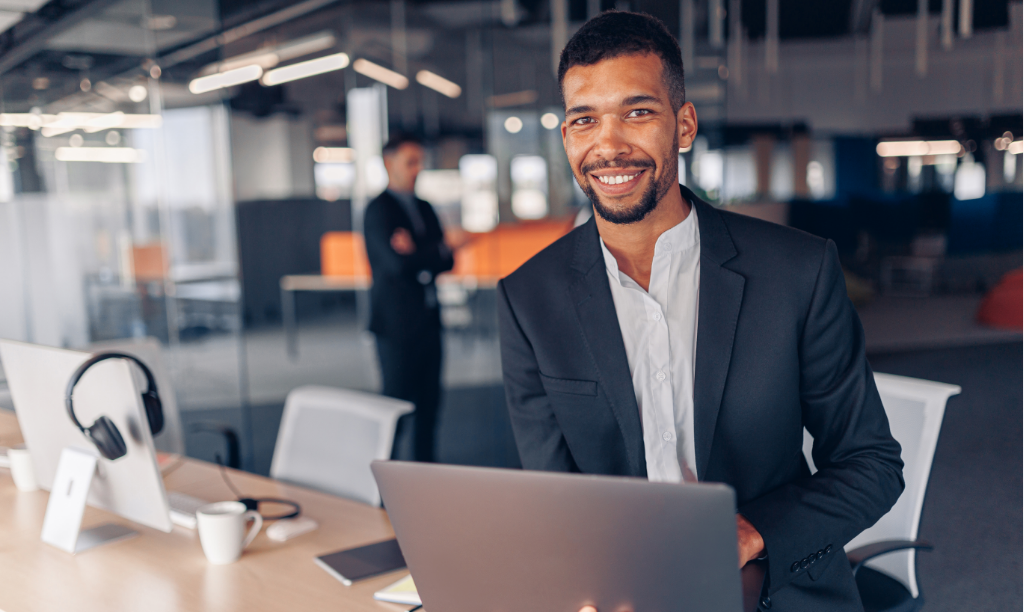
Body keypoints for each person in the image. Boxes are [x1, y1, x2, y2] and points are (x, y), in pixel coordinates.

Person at [497, 12, 904, 611]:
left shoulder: (796, 270)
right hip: (619, 593)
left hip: (769, 588)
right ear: (567, 139)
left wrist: (751, 534)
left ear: (683, 125)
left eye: (637, 113)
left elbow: (870, 463)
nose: (608, 145)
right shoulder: (528, 297)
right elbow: (556, 494)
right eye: (585, 119)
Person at [364, 134, 453, 462]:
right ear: (389, 165)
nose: (418, 169)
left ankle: (425, 482)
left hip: (429, 322)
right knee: (395, 409)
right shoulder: (377, 210)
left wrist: (422, 252)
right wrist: (431, 252)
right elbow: (397, 264)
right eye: (410, 162)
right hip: (396, 327)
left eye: (420, 162)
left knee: (429, 409)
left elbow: (447, 260)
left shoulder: (425, 208)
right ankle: (381, 485)